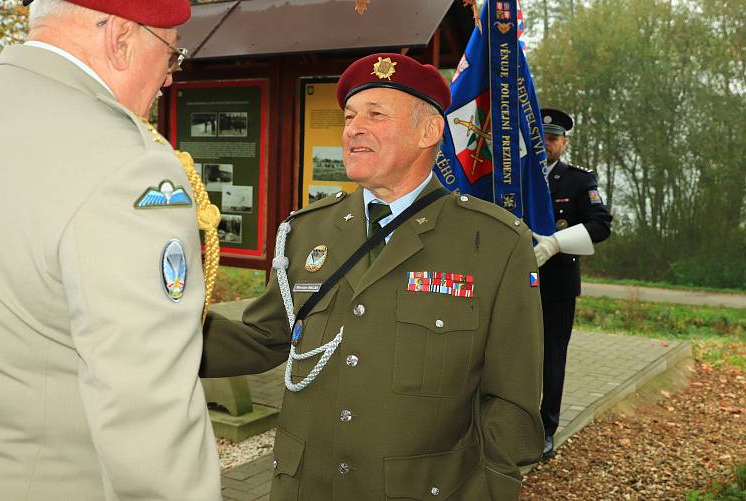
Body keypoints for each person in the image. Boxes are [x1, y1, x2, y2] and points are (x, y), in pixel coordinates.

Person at [202, 53, 545, 500]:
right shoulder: (307, 231)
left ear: (429, 131)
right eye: (349, 117)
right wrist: (158, 334)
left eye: (375, 115)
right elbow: (264, 338)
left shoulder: (494, 242)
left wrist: (490, 487)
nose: (353, 129)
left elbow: (512, 399)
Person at [0, 0, 221, 500]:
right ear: (120, 40)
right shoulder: (128, 168)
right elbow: (148, 422)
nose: (169, 78)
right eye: (171, 56)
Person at [531, 108, 613, 459]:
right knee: (511, 357)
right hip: (516, 281)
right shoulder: (517, 176)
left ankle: (545, 429)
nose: (547, 144)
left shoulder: (580, 180)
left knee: (551, 359)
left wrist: (556, 243)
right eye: (543, 137)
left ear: (563, 143)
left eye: (553, 138)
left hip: (557, 286)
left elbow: (601, 224)